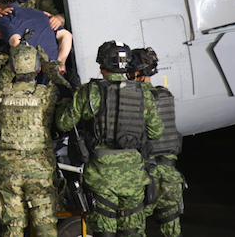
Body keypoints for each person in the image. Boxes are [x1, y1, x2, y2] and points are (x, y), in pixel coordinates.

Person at [56, 41, 163, 237]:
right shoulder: (143, 94)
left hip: (101, 175)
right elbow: (156, 132)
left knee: (104, 232)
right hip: (133, 176)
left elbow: (63, 123)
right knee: (132, 232)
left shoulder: (90, 91)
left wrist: (65, 102)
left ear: (102, 64)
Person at [0, 43, 64, 237]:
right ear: (37, 68)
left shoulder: (0, 93)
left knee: (12, 227)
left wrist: (11, 63)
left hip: (9, 169)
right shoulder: (47, 95)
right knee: (45, 226)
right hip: (40, 168)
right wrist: (48, 65)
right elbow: (65, 89)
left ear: (13, 67)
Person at [127, 48, 184, 237]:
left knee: (134, 229)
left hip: (144, 177)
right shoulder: (165, 96)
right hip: (170, 176)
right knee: (172, 232)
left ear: (135, 72)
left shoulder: (132, 99)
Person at [0, 0, 72, 74]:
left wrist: (34, 62)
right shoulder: (40, 13)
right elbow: (67, 35)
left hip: (34, 73)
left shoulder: (3, 17)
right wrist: (60, 63)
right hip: (56, 71)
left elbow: (15, 41)